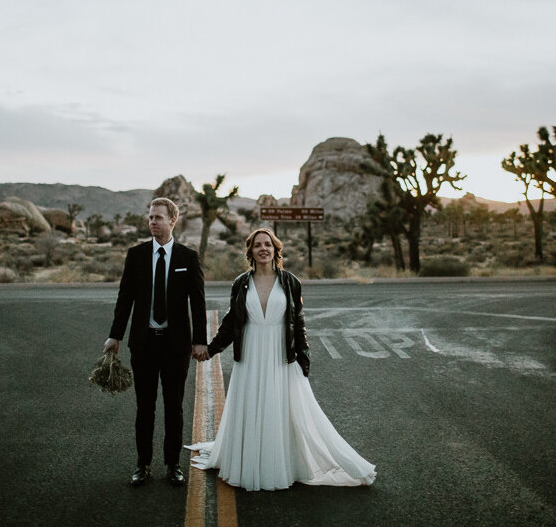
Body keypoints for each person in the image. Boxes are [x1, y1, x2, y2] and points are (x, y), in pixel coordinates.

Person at [188, 228, 376, 491]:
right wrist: (211, 349)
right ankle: (251, 461)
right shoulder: (241, 283)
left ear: (276, 249)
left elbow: (298, 323)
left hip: (280, 355)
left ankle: (281, 463)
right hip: (251, 356)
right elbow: (232, 322)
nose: (263, 249)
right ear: (250, 251)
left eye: (267, 244)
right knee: (252, 404)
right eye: (257, 245)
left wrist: (303, 356)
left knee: (282, 408)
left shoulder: (290, 282)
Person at [104, 197, 207, 487]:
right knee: (144, 407)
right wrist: (115, 335)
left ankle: (173, 465)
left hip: (175, 347)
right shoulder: (136, 255)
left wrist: (200, 341)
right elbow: (125, 299)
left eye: (159, 217)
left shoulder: (187, 257)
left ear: (173, 221)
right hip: (144, 344)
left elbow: (197, 304)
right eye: (150, 217)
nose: (153, 222)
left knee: (173, 407)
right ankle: (143, 464)